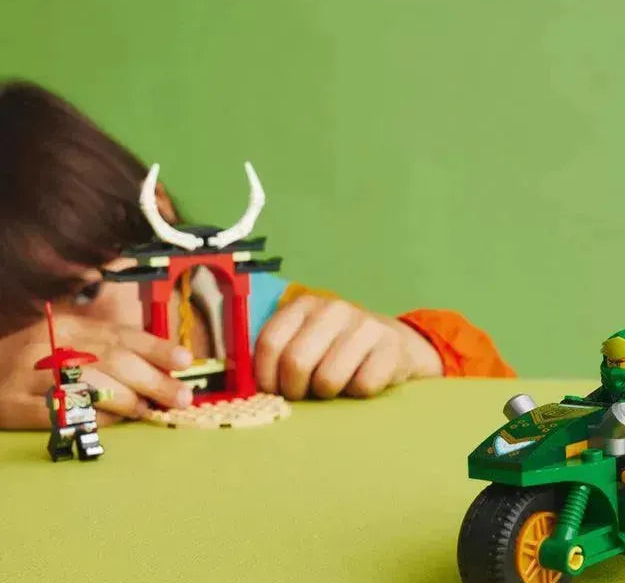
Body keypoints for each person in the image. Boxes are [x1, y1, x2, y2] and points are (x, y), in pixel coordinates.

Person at [0, 80, 515, 429]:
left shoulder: (286, 332)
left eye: (86, 293)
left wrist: (413, 350)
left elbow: (509, 406)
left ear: (157, 215)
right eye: (13, 326)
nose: (58, 344)